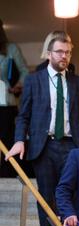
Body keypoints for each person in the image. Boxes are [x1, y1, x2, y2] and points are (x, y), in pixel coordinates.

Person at [6, 31, 79, 226]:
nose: (64, 56)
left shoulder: (78, 82)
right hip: (45, 148)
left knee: (75, 199)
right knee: (47, 201)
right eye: (59, 52)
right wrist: (19, 140)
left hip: (73, 147)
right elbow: (23, 115)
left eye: (67, 52)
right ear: (49, 53)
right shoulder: (34, 80)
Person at [0, 18, 28, 177]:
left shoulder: (11, 49)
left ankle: (6, 175)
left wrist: (18, 85)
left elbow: (24, 71)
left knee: (6, 140)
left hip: (5, 104)